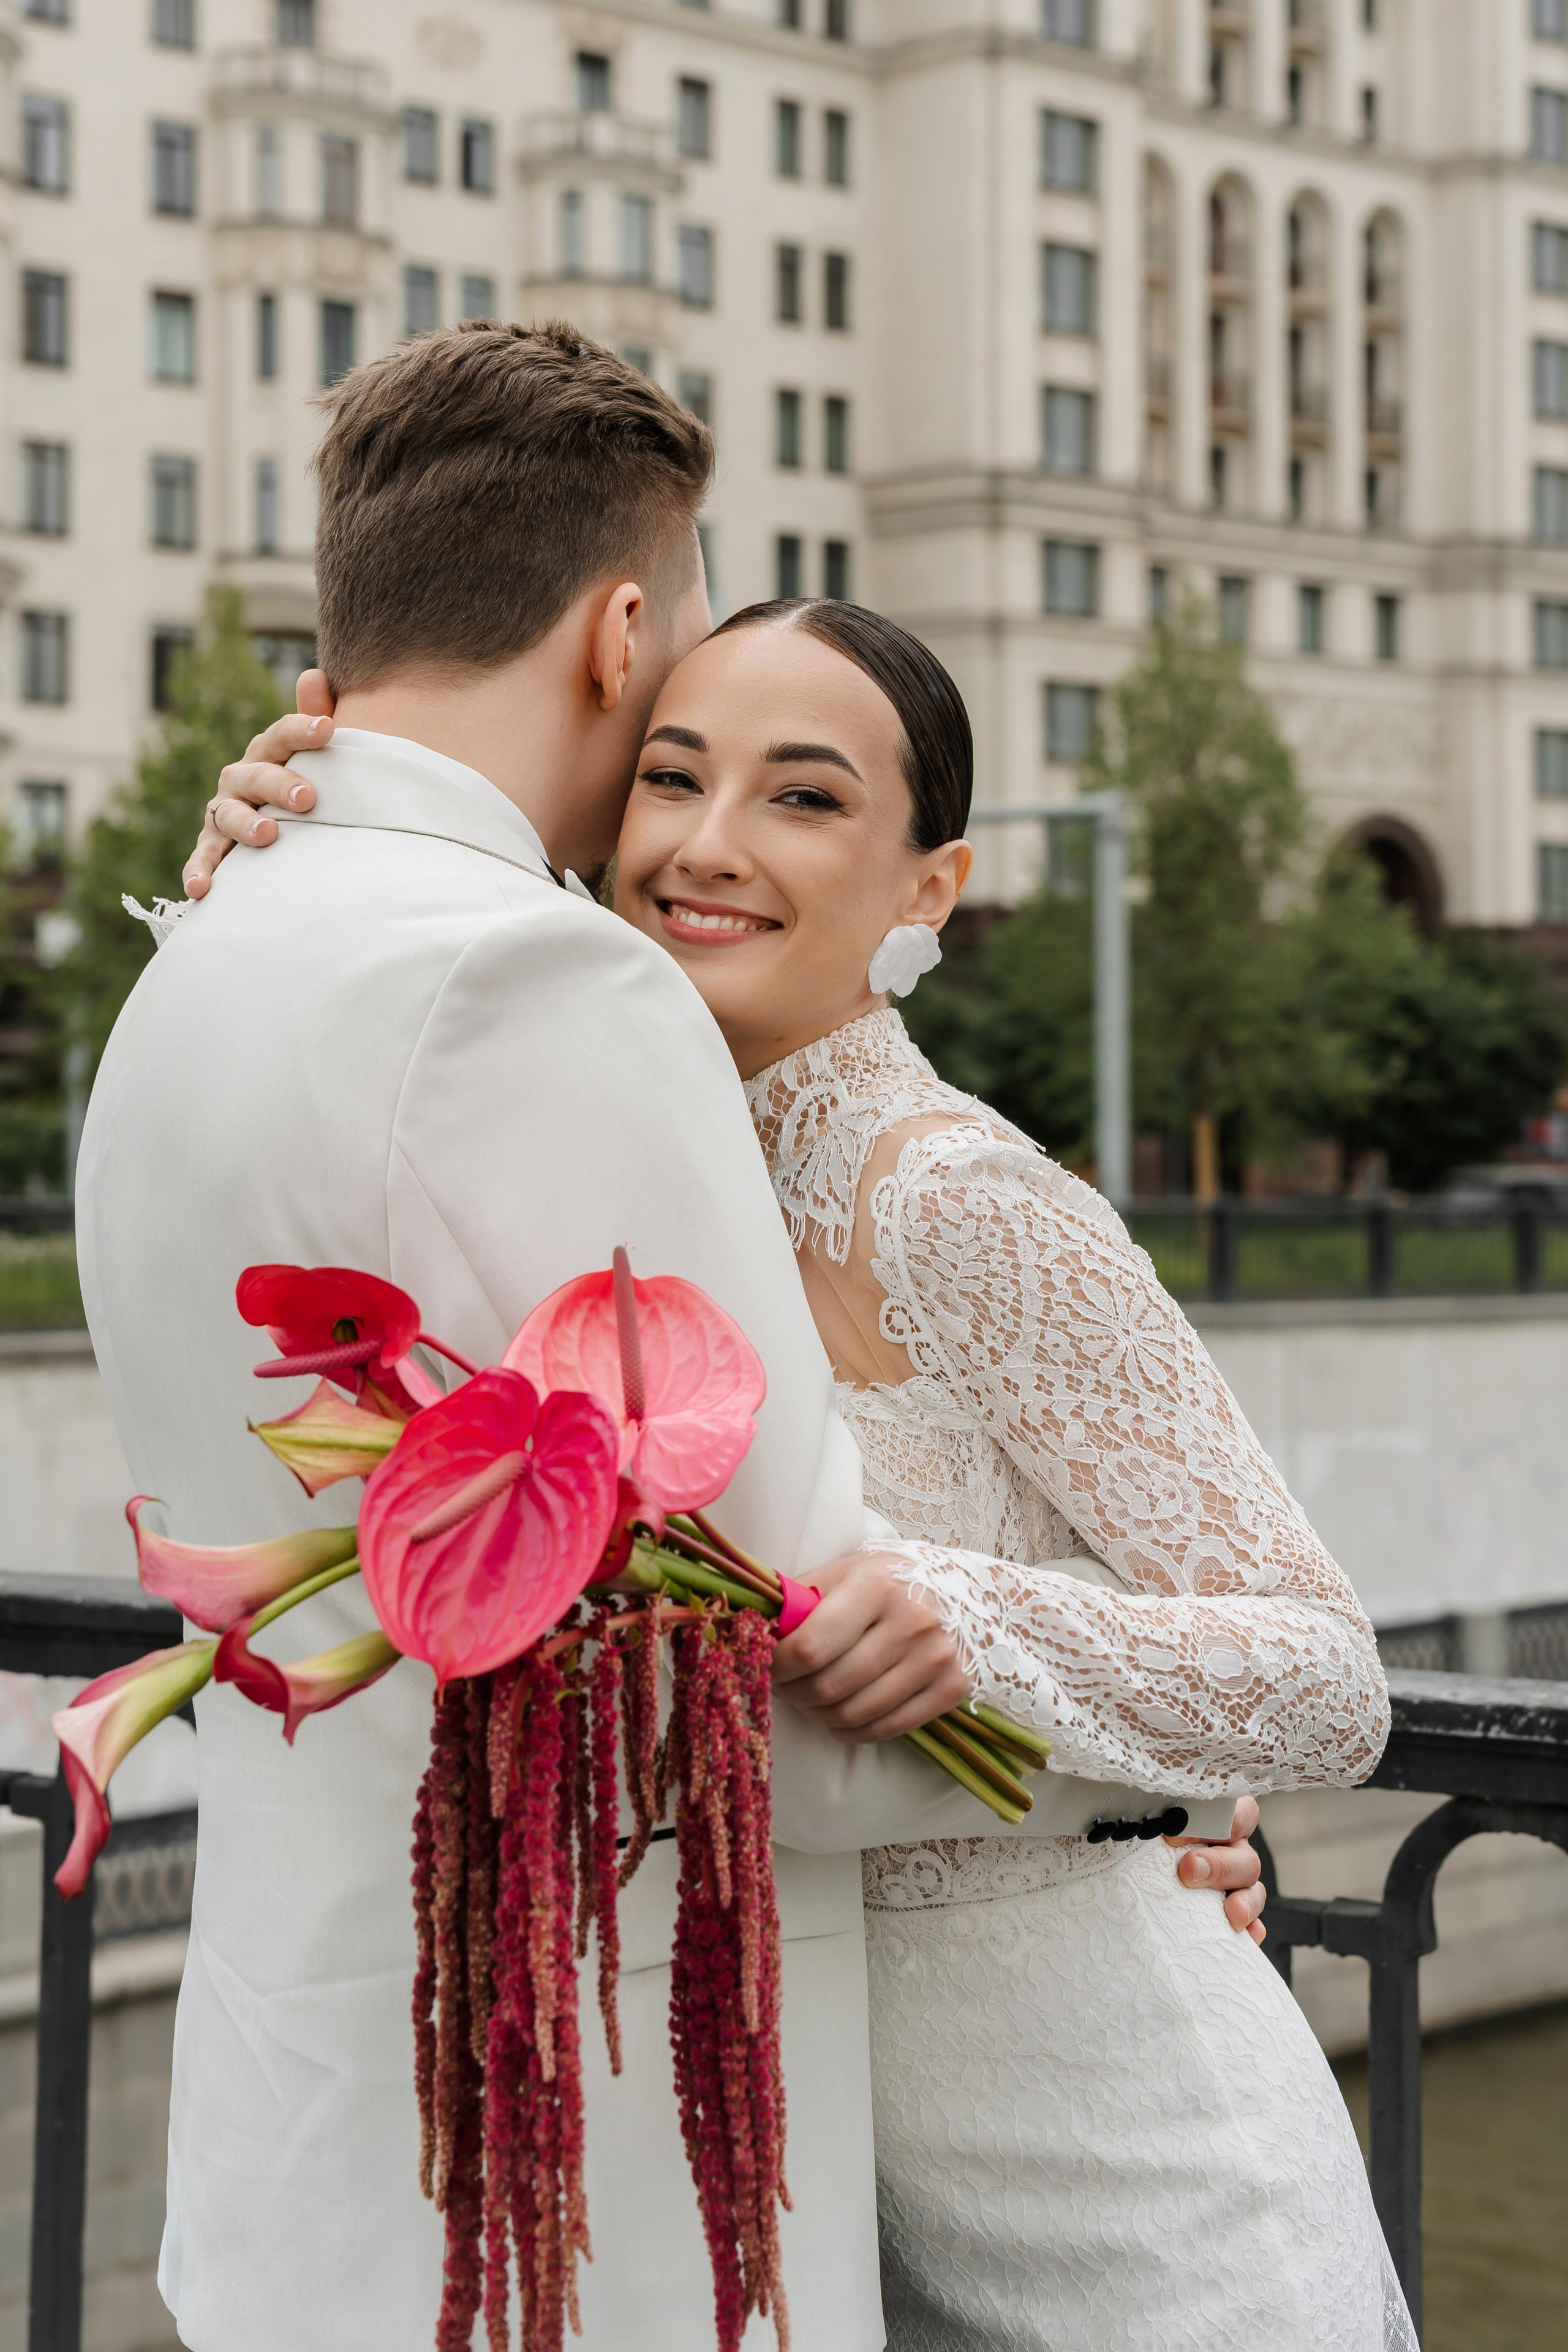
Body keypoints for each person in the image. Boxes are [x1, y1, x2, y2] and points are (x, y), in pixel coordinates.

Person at [85, 322, 1261, 2352]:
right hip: (570, 2178)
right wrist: (1149, 1800)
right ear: (623, 633)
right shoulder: (544, 983)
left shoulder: (205, 939)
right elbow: (781, 1684)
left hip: (298, 2139)